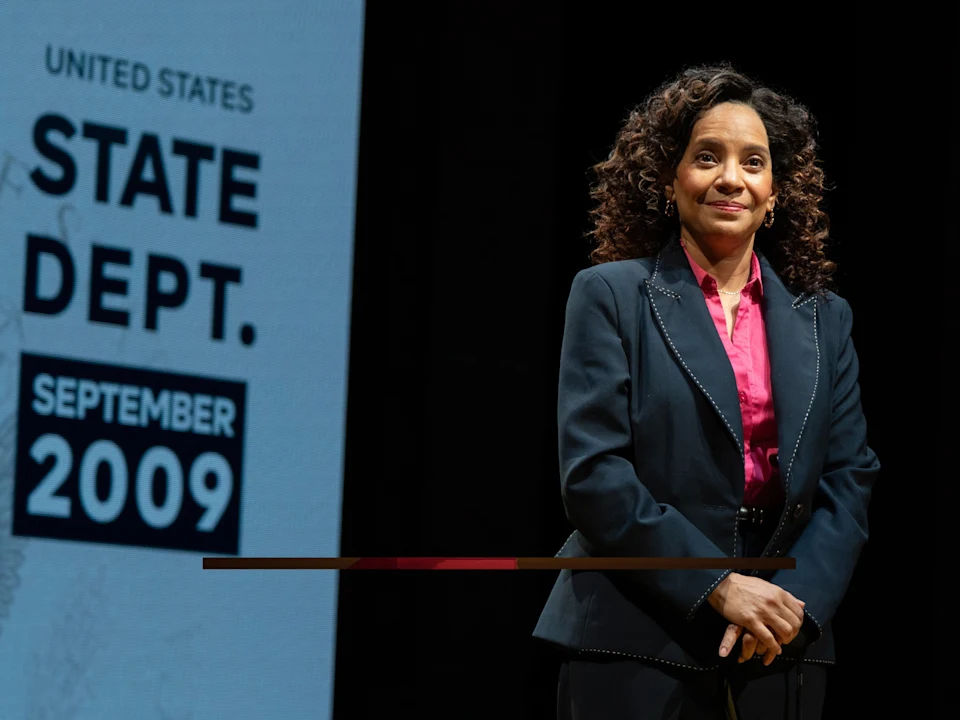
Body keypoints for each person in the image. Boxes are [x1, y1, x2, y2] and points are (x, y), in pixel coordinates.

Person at [533, 64, 880, 719]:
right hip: (637, 632)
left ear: (776, 192)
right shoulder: (610, 295)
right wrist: (717, 585)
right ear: (670, 180)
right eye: (706, 158)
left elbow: (850, 480)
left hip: (778, 641)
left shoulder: (825, 318)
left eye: (754, 162)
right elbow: (594, 475)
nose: (731, 178)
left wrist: (789, 608)